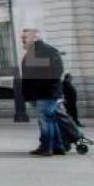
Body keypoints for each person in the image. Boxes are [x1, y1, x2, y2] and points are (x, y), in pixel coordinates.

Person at [20, 28, 65, 156]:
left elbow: (56, 71)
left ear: (35, 38)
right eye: (22, 38)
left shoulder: (47, 51)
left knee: (45, 121)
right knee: (50, 120)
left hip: (45, 93)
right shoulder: (33, 52)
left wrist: (40, 85)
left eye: (25, 38)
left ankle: (46, 147)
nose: (22, 40)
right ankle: (57, 146)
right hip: (40, 93)